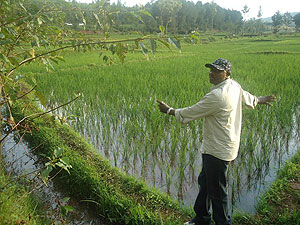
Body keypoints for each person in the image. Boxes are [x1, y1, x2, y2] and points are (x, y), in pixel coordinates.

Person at [156, 58, 276, 225]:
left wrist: (168, 110)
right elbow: (245, 96)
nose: (211, 73)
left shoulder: (217, 96)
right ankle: (201, 218)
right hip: (221, 146)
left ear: (227, 74)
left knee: (217, 192)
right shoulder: (233, 85)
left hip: (217, 151)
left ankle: (222, 222)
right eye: (211, 69)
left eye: (216, 70)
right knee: (205, 182)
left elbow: (192, 111)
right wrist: (259, 99)